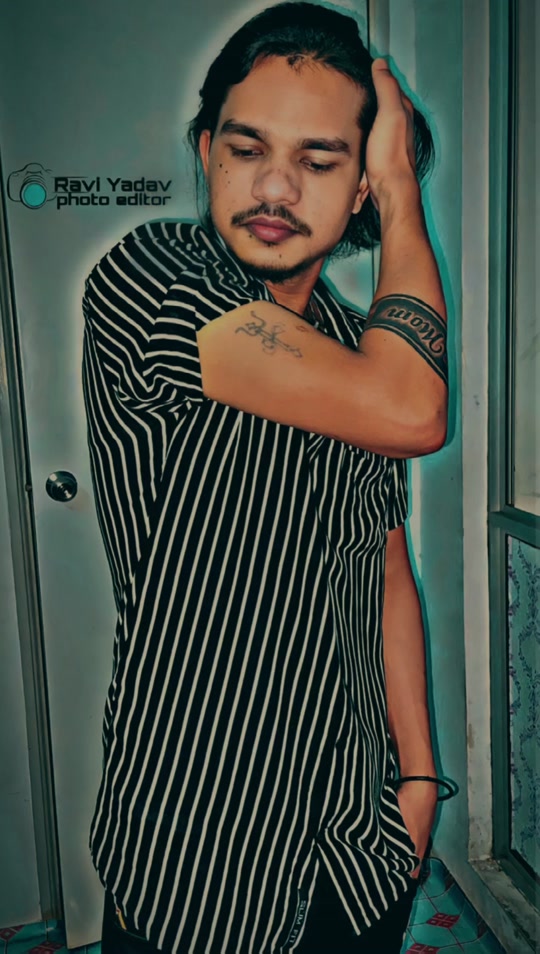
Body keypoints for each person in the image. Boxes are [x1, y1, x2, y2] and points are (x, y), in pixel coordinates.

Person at [83, 3, 449, 951]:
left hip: (354, 842)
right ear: (207, 153)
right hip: (196, 847)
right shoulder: (151, 277)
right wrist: (401, 191)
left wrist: (416, 779)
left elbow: (384, 566)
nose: (275, 187)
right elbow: (414, 411)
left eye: (320, 161)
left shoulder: (355, 344)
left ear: (354, 186)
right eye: (247, 149)